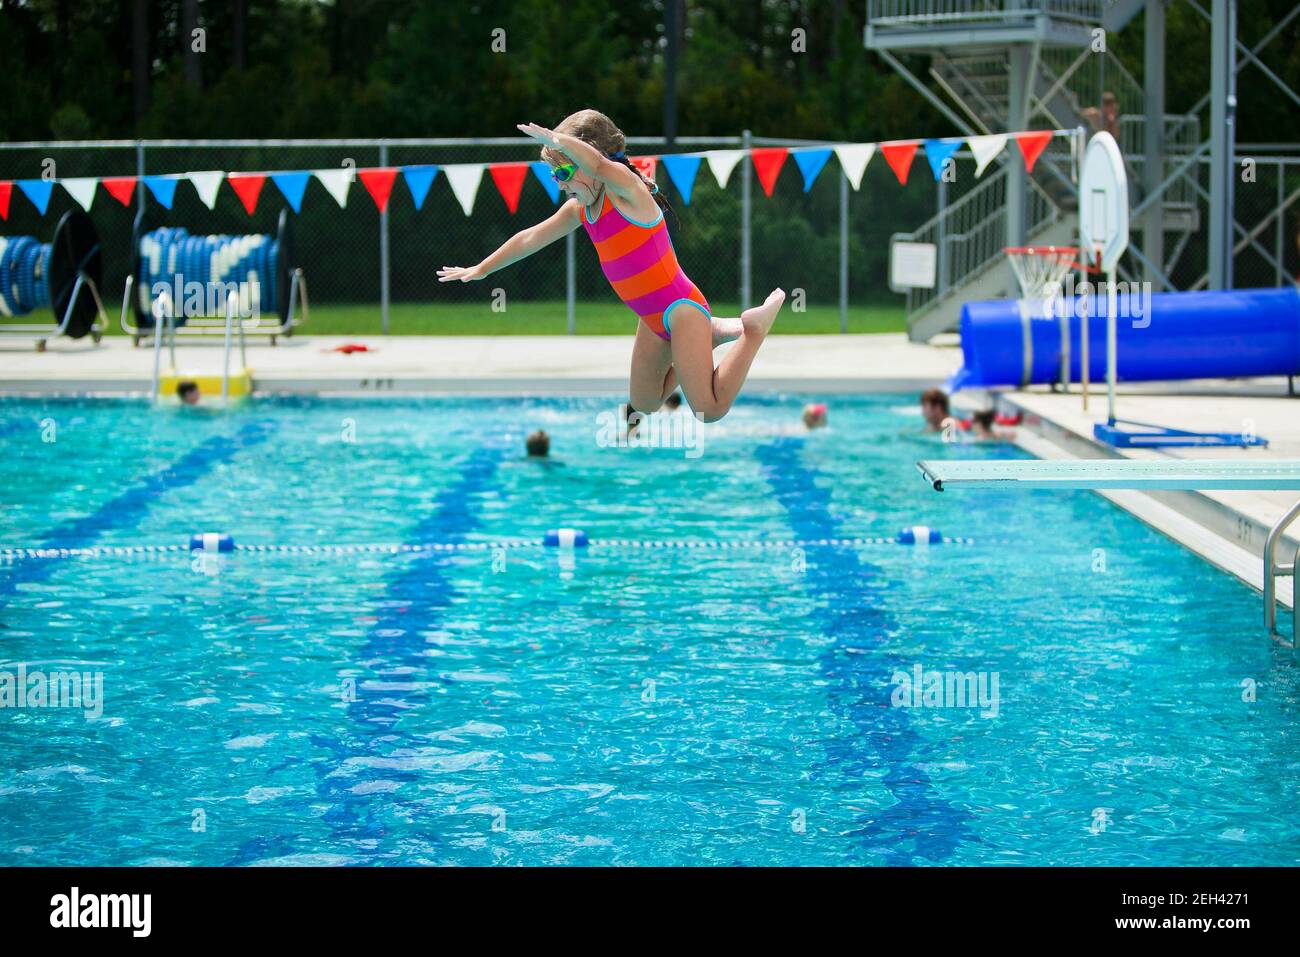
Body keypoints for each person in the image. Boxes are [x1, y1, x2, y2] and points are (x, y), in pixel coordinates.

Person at [438, 110, 784, 423]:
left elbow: (602, 168)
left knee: (708, 410)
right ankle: (707, 338)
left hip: (682, 310)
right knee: (644, 402)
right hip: (652, 320)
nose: (559, 182)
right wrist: (483, 268)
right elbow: (530, 238)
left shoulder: (628, 194)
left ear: (589, 160)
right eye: (553, 173)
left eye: (564, 170)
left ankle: (752, 330)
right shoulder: (581, 211)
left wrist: (560, 140)